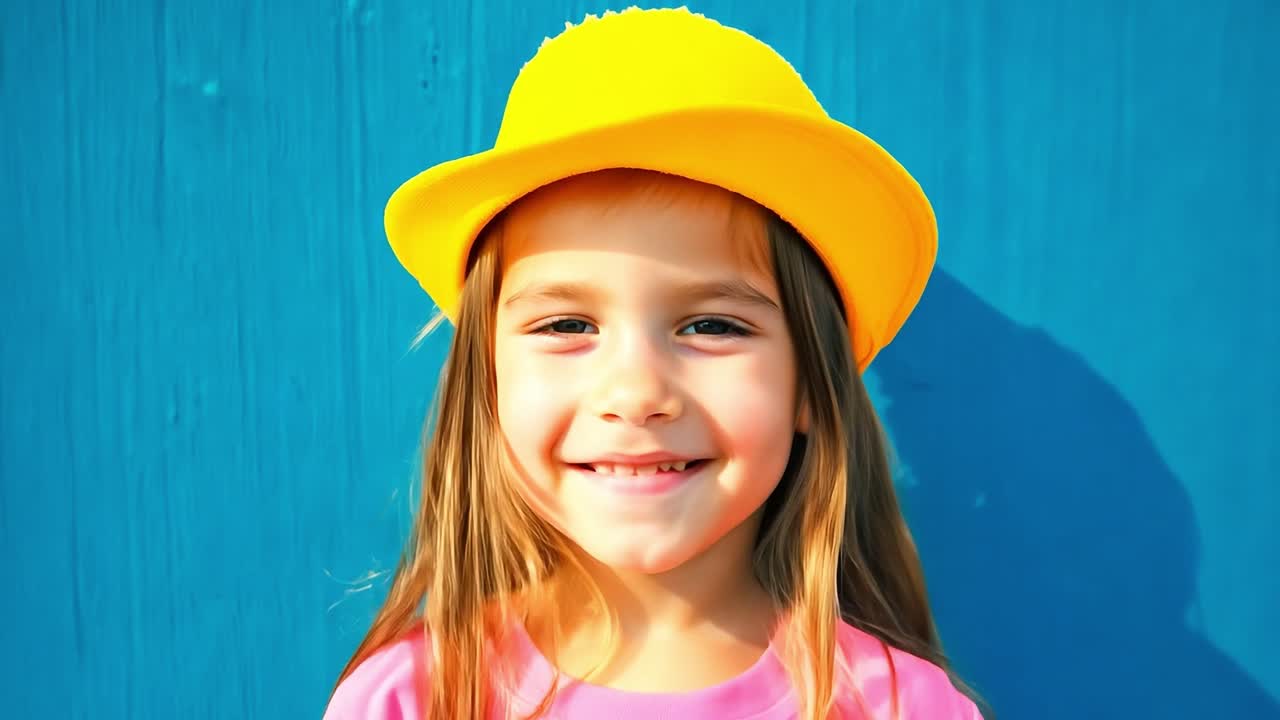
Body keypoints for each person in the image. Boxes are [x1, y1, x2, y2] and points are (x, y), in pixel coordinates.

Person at [324, 7, 986, 719]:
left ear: (809, 385)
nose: (636, 393)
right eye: (567, 324)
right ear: (489, 384)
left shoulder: (899, 708)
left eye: (711, 325)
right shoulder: (413, 700)